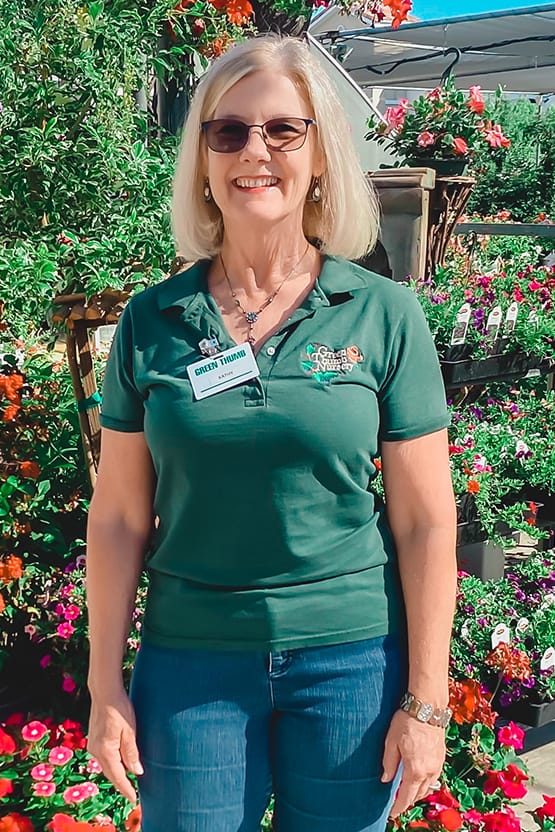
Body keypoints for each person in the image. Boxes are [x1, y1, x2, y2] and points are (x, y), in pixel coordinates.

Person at [86, 35, 457, 832]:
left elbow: (425, 521)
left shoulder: (382, 314)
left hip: (350, 663)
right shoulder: (152, 322)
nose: (254, 151)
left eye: (282, 130)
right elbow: (117, 515)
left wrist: (426, 702)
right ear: (204, 161)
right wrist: (103, 686)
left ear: (319, 154)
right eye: (228, 132)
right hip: (191, 664)